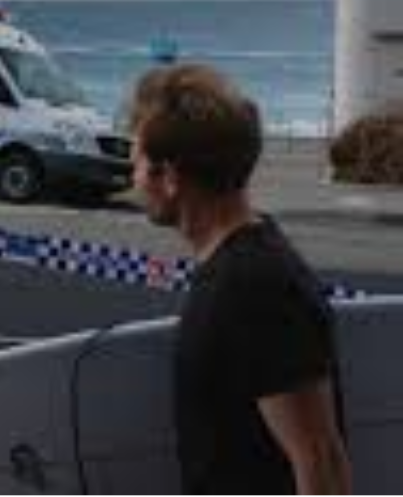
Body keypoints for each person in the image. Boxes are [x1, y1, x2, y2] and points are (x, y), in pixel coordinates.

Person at [128, 64, 351, 494]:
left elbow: (320, 460)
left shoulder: (253, 286)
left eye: (135, 162)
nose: (132, 178)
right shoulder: (239, 267)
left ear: (169, 178)